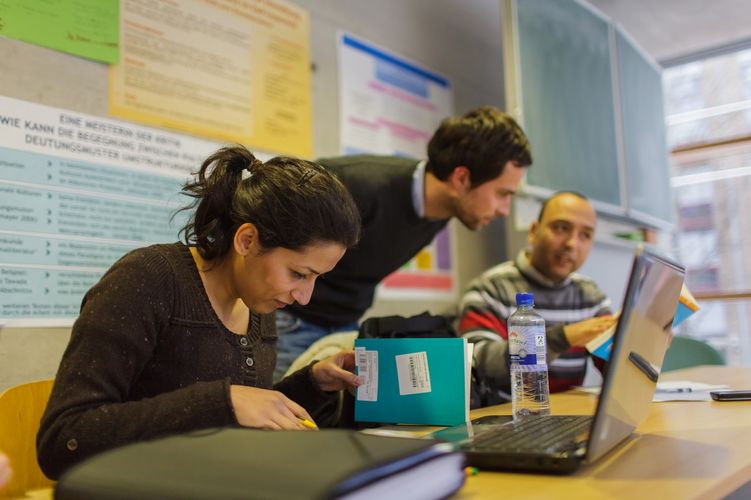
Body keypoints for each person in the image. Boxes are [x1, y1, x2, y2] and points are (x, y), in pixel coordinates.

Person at [36, 146, 362, 479]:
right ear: (247, 241)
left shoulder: (258, 300)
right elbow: (65, 440)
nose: (304, 297)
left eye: (317, 278)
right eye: (298, 273)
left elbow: (238, 419)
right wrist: (223, 402)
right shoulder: (149, 280)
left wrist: (311, 385)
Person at [275, 106, 533, 380]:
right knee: (287, 419)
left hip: (343, 324)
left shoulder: (443, 211)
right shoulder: (357, 185)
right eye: (502, 194)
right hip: (291, 320)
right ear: (461, 179)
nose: (505, 209)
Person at [458, 191, 617, 407]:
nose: (572, 243)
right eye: (561, 228)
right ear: (533, 231)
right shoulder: (490, 289)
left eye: (585, 235)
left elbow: (614, 369)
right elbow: (477, 364)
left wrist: (643, 348)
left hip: (568, 415)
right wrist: (561, 338)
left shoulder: (590, 296)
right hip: (507, 420)